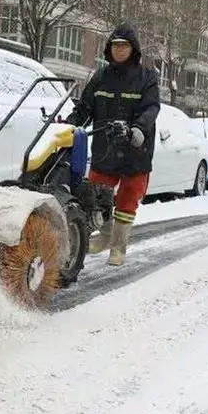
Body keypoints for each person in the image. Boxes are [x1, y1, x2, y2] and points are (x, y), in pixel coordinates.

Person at [64, 24, 160, 266]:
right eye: (115, 46)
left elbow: (151, 108)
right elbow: (85, 107)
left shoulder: (146, 78)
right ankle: (105, 236)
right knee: (97, 195)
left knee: (127, 199)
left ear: (133, 49)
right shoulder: (101, 77)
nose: (119, 50)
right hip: (105, 147)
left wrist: (138, 128)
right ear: (109, 49)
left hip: (135, 149)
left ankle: (118, 247)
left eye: (124, 46)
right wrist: (69, 125)